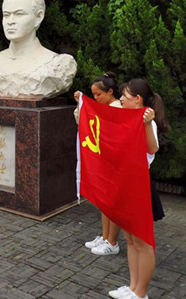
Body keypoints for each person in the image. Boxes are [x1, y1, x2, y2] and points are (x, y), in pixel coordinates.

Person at [108, 79, 170, 299]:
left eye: (125, 96)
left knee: (142, 242)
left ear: (137, 99)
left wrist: (146, 124)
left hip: (139, 187)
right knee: (130, 240)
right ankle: (132, 287)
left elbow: (152, 148)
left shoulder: (146, 120)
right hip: (125, 185)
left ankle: (141, 292)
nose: (121, 99)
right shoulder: (125, 118)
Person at [0, 0, 76, 98]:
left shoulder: (57, 65)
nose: (10, 21)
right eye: (6, 15)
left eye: (19, 14)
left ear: (39, 17)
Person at [74, 72, 122, 256]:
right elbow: (85, 123)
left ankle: (112, 241)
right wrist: (81, 105)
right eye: (93, 95)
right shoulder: (101, 108)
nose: (95, 98)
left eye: (98, 94)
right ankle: (105, 236)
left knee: (112, 204)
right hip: (103, 161)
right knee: (104, 202)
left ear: (110, 92)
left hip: (114, 162)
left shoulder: (118, 109)